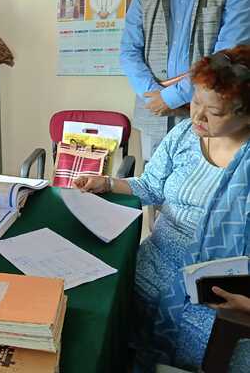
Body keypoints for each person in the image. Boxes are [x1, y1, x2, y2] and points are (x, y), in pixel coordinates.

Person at [75, 46, 250, 372]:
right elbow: (151, 187)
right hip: (154, 264)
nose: (197, 116)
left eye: (214, 111)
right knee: (104, 327)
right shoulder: (184, 135)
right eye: (196, 101)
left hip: (218, 291)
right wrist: (108, 183)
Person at [119, 0, 250, 160]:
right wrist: (153, 97)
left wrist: (169, 97)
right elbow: (128, 53)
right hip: (155, 116)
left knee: (201, 193)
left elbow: (226, 57)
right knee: (154, 191)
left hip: (214, 116)